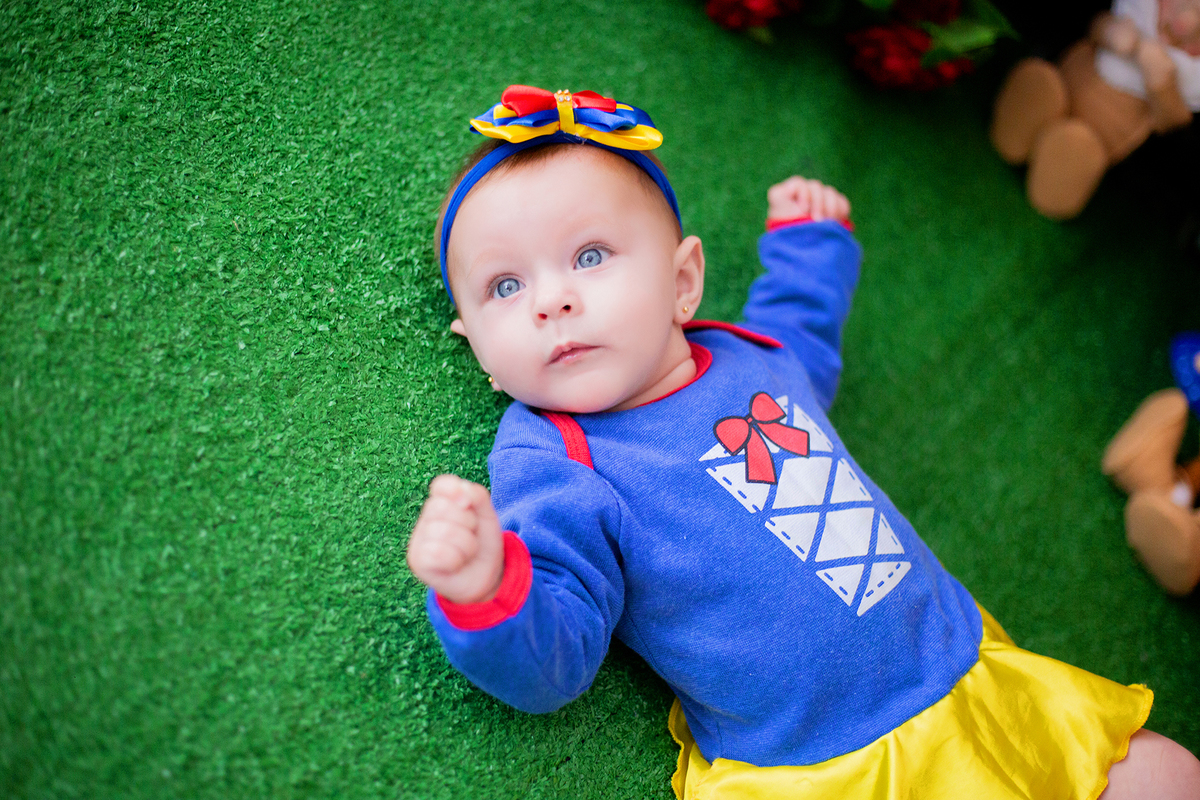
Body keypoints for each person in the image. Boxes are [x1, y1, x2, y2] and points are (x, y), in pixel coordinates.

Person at [407, 84, 1200, 798]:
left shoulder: (753, 357)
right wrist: (488, 590)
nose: (553, 300)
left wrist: (810, 242)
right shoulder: (557, 458)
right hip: (824, 764)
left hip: (964, 670)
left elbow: (804, 333)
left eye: (589, 256)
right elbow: (560, 655)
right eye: (505, 287)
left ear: (683, 283)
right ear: (476, 347)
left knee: (1169, 775)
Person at [990, 0, 1200, 219]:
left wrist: (1162, 86)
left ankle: (1064, 165)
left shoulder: (1194, 74)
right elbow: (1095, 26)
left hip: (1103, 131)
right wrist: (1112, 32)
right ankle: (1022, 125)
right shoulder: (1142, 8)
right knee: (1045, 88)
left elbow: (1173, 124)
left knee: (1081, 145)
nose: (1189, 21)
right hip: (1071, 80)